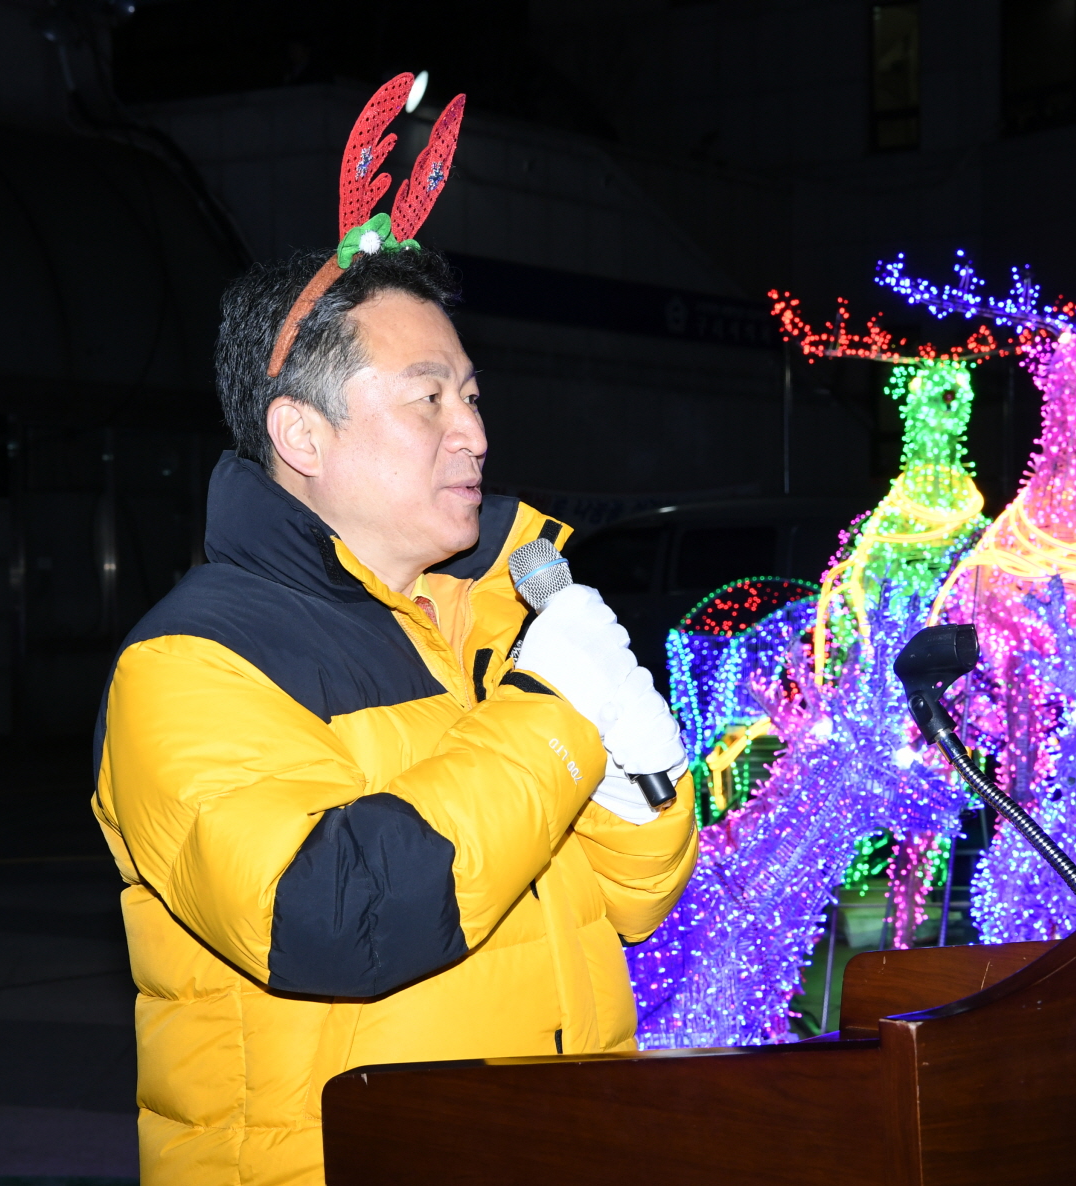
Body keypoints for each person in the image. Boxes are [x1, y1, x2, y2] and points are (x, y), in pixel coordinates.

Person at [91, 78, 698, 1186]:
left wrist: (647, 777)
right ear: (301, 435)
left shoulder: (505, 616)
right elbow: (332, 916)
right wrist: (557, 719)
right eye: (427, 399)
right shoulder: (191, 665)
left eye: (470, 394)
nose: (472, 430)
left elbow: (637, 899)